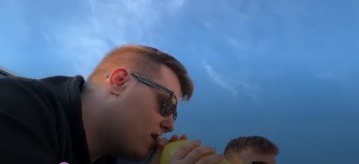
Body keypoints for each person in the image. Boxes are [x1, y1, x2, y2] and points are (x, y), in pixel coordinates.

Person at [0, 44, 225, 164]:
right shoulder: (19, 105)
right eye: (166, 105)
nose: (170, 125)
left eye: (174, 115)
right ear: (120, 82)